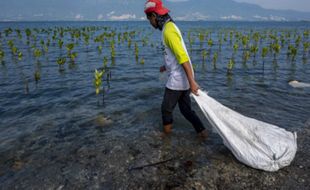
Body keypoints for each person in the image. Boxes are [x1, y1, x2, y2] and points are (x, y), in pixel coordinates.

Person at [144, 0, 208, 137]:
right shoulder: (170, 27)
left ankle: (166, 138)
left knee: (166, 109)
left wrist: (192, 82)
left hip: (179, 78)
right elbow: (174, 56)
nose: (150, 23)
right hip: (183, 76)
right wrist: (165, 66)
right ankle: (203, 133)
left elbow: (182, 57)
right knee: (186, 110)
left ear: (154, 16)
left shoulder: (168, 31)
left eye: (149, 19)